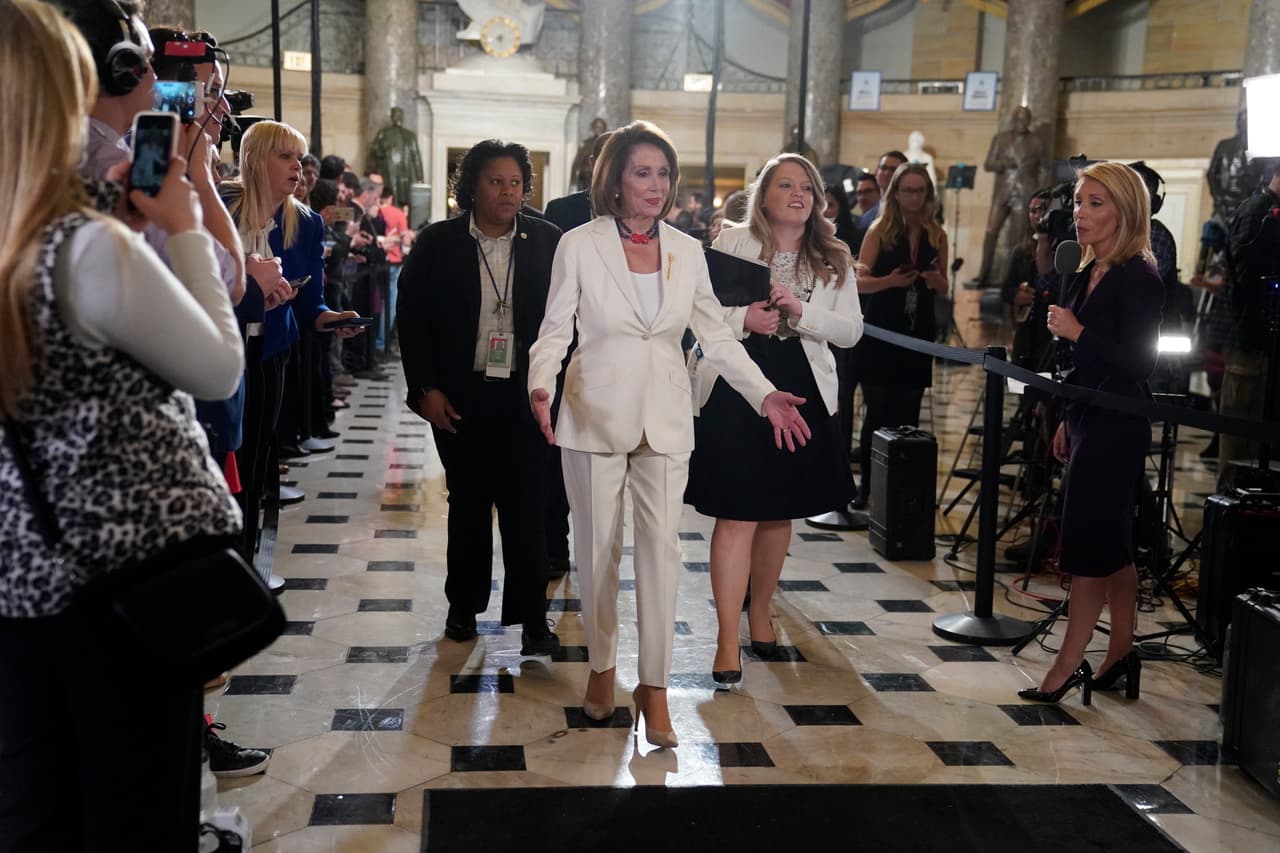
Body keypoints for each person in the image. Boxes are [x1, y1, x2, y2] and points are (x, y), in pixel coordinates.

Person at [0, 2, 243, 847]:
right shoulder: (80, 245)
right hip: (118, 580)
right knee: (136, 807)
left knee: (39, 807)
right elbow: (217, 363)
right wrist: (178, 225)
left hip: (20, 579)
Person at [526, 121, 812, 748]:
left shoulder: (686, 250)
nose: (655, 185)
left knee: (661, 555)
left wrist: (765, 395)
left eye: (663, 174)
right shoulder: (578, 243)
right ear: (615, 180)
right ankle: (603, 668)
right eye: (641, 173)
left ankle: (653, 689)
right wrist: (539, 384)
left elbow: (715, 336)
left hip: (666, 416)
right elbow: (553, 330)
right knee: (597, 554)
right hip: (592, 413)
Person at [687, 154, 863, 682]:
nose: (797, 193)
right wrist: (746, 316)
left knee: (777, 511)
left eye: (806, 186)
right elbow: (699, 316)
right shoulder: (730, 244)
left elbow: (851, 330)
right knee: (737, 511)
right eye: (784, 184)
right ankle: (725, 639)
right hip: (737, 381)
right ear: (762, 194)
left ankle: (760, 610)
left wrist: (800, 311)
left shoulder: (833, 255)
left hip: (801, 379)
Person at [397, 139, 563, 656]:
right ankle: (463, 607)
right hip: (460, 393)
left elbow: (568, 321)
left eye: (516, 182)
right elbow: (412, 321)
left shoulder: (548, 242)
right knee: (467, 502)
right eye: (495, 181)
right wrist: (425, 389)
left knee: (526, 505)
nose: (508, 191)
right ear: (471, 186)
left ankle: (533, 619)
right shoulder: (437, 243)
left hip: (525, 394)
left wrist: (556, 387)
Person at [1021, 161, 1165, 704]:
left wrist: (1078, 331)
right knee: (1114, 546)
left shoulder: (1140, 277)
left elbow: (1140, 364)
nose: (1080, 213)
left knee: (1085, 546)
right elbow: (1078, 361)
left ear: (1125, 211)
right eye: (1080, 202)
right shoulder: (1084, 271)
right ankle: (1122, 651)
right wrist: (1063, 416)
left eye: (1096, 202)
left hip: (1117, 422)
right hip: (1084, 415)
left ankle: (1067, 664)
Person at [221, 121, 364, 566]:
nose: (298, 169)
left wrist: (331, 319)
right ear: (255, 159)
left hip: (268, 353)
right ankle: (218, 558)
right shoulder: (221, 206)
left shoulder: (304, 223)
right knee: (222, 456)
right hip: (218, 346)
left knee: (257, 455)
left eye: (300, 159)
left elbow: (311, 304)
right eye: (285, 157)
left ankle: (247, 562)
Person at [852, 163, 949, 512]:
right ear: (894, 193)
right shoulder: (879, 230)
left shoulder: (936, 233)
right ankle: (866, 487)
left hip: (917, 330)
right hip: (881, 328)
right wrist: (890, 282)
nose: (913, 197)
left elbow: (943, 287)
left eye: (919, 191)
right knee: (877, 411)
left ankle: (901, 489)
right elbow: (858, 283)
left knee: (909, 414)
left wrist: (934, 279)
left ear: (928, 195)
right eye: (907, 190)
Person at [1217, 159, 1280, 487]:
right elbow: (1244, 278)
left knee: (1257, 430)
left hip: (1260, 341)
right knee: (1240, 429)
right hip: (1248, 341)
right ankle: (1229, 512)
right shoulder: (1258, 212)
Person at [972, 106, 1045, 287]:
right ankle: (983, 275)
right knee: (991, 231)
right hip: (1003, 192)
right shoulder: (1000, 139)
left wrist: (1040, 192)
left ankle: (1011, 279)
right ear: (1013, 120)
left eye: (1025, 120)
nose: (1021, 123)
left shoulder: (1036, 142)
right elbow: (988, 164)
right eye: (1018, 119)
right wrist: (1003, 163)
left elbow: (1044, 167)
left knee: (1017, 238)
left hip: (1024, 192)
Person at [366, 107, 424, 214]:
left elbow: (416, 156)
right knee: (392, 195)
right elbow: (375, 149)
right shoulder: (383, 133)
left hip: (402, 172)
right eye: (395, 115)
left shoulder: (409, 135)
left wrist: (420, 178)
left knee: (403, 198)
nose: (397, 117)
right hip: (388, 171)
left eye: (398, 115)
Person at [860, 151, 907, 230]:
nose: (886, 173)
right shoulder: (866, 217)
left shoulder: (911, 212)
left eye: (893, 169)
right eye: (883, 168)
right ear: (876, 172)